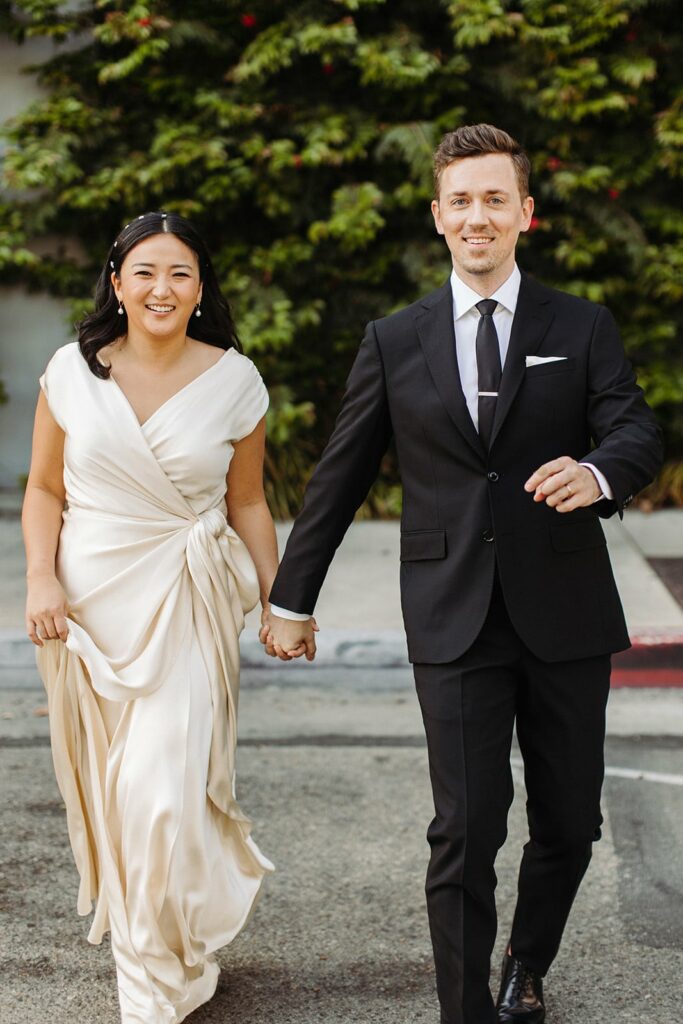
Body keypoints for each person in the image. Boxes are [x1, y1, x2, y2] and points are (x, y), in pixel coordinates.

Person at [262, 125, 663, 1023]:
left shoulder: (580, 324)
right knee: (466, 826)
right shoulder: (392, 340)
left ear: (524, 212)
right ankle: (463, 1009)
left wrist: (597, 473)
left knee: (568, 822)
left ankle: (528, 961)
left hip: (564, 609)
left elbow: (634, 430)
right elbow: (339, 475)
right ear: (436, 216)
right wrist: (291, 597)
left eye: (494, 199)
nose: (475, 216)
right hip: (450, 615)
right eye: (459, 201)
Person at [23, 211, 283, 1024]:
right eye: (144, 271)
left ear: (201, 289)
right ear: (116, 282)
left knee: (158, 794)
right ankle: (169, 954)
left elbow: (247, 502)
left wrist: (285, 601)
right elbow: (43, 491)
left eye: (179, 273)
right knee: (117, 798)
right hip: (90, 612)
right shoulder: (70, 371)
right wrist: (38, 579)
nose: (161, 287)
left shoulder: (235, 381)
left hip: (186, 603)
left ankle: (149, 994)